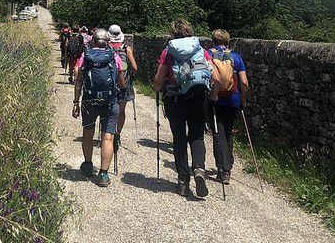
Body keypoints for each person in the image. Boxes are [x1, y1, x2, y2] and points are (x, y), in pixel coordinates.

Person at [152, 19, 217, 198]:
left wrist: (156, 87)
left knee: (179, 138)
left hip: (175, 99)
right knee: (197, 135)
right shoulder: (200, 50)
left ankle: (183, 181)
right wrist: (213, 95)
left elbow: (159, 78)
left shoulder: (169, 50)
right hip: (198, 97)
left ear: (173, 33)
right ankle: (199, 170)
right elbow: (216, 77)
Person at [73, 28, 125, 187]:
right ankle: (103, 174)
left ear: (93, 41)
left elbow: (78, 79)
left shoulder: (85, 56)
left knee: (88, 133)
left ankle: (88, 165)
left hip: (89, 101)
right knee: (108, 137)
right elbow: (121, 82)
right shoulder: (114, 56)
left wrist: (76, 101)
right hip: (110, 101)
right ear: (107, 42)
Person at [206, 29, 249, 185]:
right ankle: (228, 166)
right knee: (228, 132)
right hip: (233, 100)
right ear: (227, 41)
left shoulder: (208, 55)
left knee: (218, 133)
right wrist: (243, 100)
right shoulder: (236, 57)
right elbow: (244, 83)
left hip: (215, 99)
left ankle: (223, 169)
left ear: (213, 41)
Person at [107, 24, 137, 153]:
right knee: (121, 110)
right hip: (124, 83)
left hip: (109, 83)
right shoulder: (126, 48)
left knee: (109, 109)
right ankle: (117, 134)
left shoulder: (106, 48)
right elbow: (135, 68)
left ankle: (109, 133)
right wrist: (129, 75)